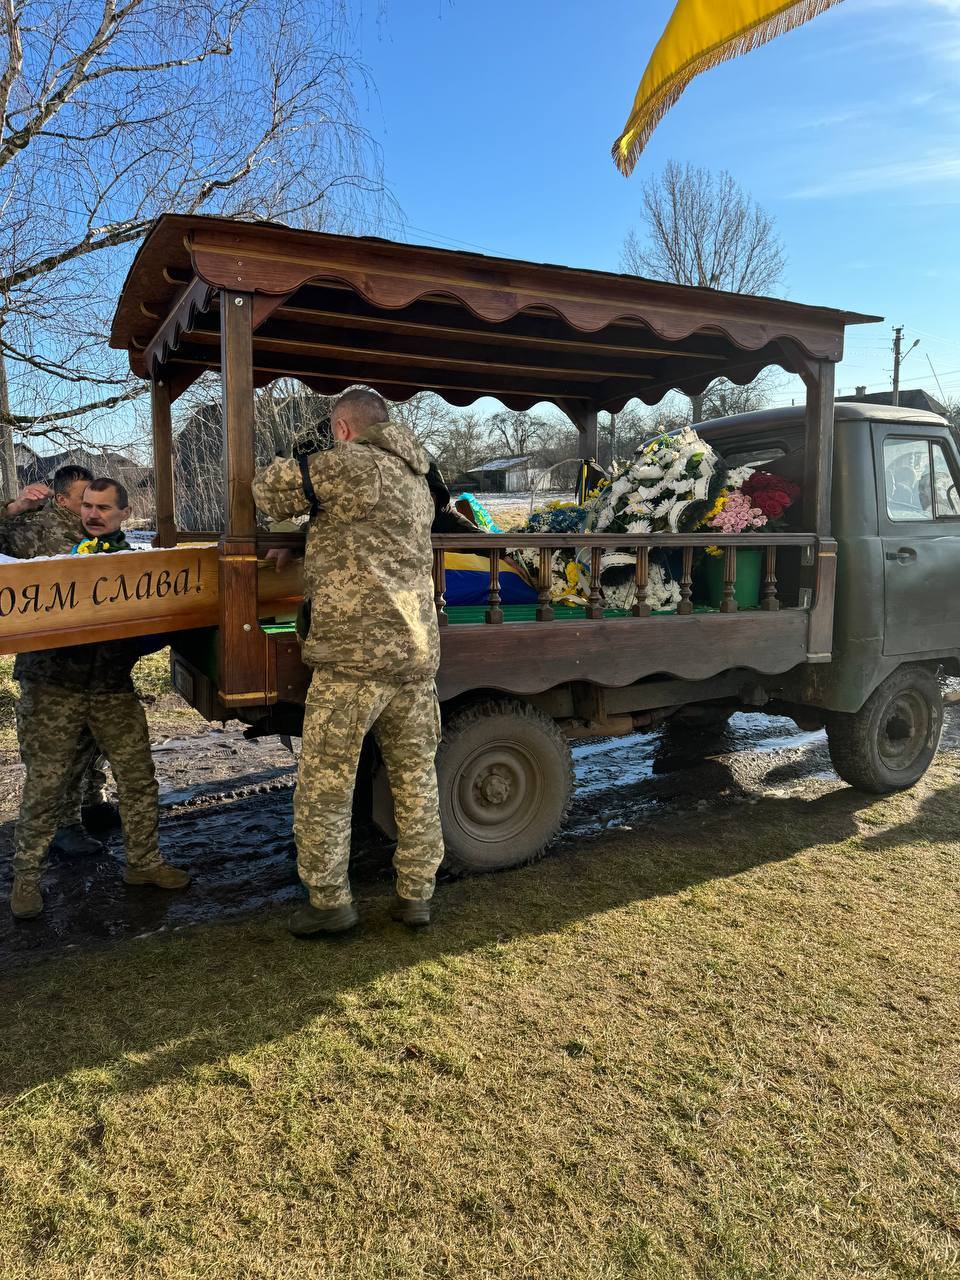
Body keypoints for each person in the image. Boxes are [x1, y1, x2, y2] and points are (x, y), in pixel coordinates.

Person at [252, 387, 444, 937]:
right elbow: (363, 534)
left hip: (353, 660)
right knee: (415, 781)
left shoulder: (350, 464)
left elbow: (267, 490)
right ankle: (416, 897)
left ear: (341, 428)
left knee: (326, 786)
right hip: (414, 656)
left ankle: (330, 902)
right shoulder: (418, 477)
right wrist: (311, 535)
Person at [9, 477, 190, 920]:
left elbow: (150, 632)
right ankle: (25, 878)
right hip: (51, 688)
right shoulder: (46, 551)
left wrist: (154, 630)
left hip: (110, 687)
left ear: (124, 513)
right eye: (88, 505)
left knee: (138, 778)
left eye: (104, 508)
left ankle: (144, 864)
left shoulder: (137, 566)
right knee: (45, 785)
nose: (93, 514)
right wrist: (12, 509)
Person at [0, 465, 117, 854]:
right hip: (49, 664)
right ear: (63, 499)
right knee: (57, 751)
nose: (91, 507)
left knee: (92, 740)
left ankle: (91, 803)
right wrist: (13, 509)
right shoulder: (35, 529)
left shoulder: (99, 534)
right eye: (83, 499)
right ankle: (63, 827)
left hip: (93, 660)